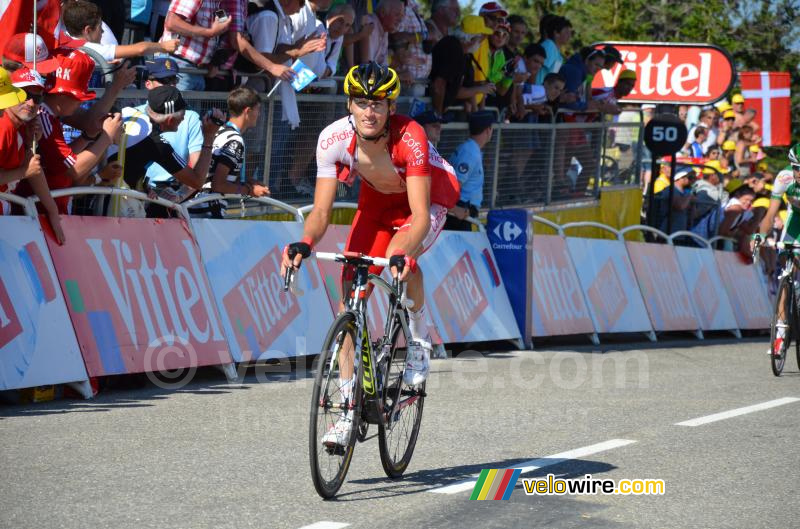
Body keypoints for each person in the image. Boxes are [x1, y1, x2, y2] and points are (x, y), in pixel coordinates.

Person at [281, 63, 460, 446]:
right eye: (361, 102)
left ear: (390, 107)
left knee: (399, 258)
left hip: (426, 198)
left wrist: (403, 254)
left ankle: (418, 339)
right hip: (377, 202)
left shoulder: (410, 136)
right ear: (349, 103)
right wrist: (305, 243)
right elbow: (322, 212)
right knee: (350, 300)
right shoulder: (332, 139)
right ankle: (347, 411)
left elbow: (419, 215)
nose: (369, 111)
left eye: (378, 103)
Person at [13, 50, 123, 215]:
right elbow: (74, 170)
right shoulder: (42, 118)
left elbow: (62, 161)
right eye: (80, 98)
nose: (80, 105)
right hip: (35, 214)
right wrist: (107, 137)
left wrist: (89, 136)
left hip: (42, 213)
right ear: (64, 95)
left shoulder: (50, 117)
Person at [103, 86, 223, 213]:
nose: (183, 118)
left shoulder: (127, 113)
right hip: (111, 208)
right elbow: (197, 181)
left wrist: (143, 186)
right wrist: (209, 137)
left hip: (92, 195)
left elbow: (128, 160)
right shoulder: (155, 142)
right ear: (170, 120)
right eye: (183, 114)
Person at [0, 67, 65, 243]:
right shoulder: (4, 126)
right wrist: (22, 173)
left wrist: (52, 212)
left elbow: (32, 168)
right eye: (24, 95)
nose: (30, 103)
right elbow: (28, 170)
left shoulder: (18, 127)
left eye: (37, 98)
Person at [189, 87, 269, 218]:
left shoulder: (219, 130)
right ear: (247, 111)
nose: (259, 114)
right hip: (208, 210)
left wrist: (247, 181)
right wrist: (249, 190)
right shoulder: (235, 141)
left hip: (196, 204)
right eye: (258, 110)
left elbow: (215, 172)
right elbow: (218, 184)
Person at [754, 145, 800, 355]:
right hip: (795, 221)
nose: (799, 173)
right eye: (796, 167)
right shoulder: (784, 178)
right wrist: (760, 236)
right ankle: (780, 335)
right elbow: (771, 213)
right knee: (785, 268)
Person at [61, 0, 180, 61]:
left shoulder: (63, 42)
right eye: (100, 28)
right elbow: (140, 49)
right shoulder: (91, 49)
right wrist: (163, 46)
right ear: (87, 30)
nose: (103, 32)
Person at [428, 15, 494, 116]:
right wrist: (438, 115)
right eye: (480, 39)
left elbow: (456, 88)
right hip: (429, 109)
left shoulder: (463, 53)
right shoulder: (452, 48)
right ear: (470, 39)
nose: (480, 43)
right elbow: (439, 85)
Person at [445, 111, 494, 231]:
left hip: (461, 211)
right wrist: (455, 209)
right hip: (460, 212)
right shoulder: (470, 153)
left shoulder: (470, 149)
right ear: (488, 130)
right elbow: (453, 186)